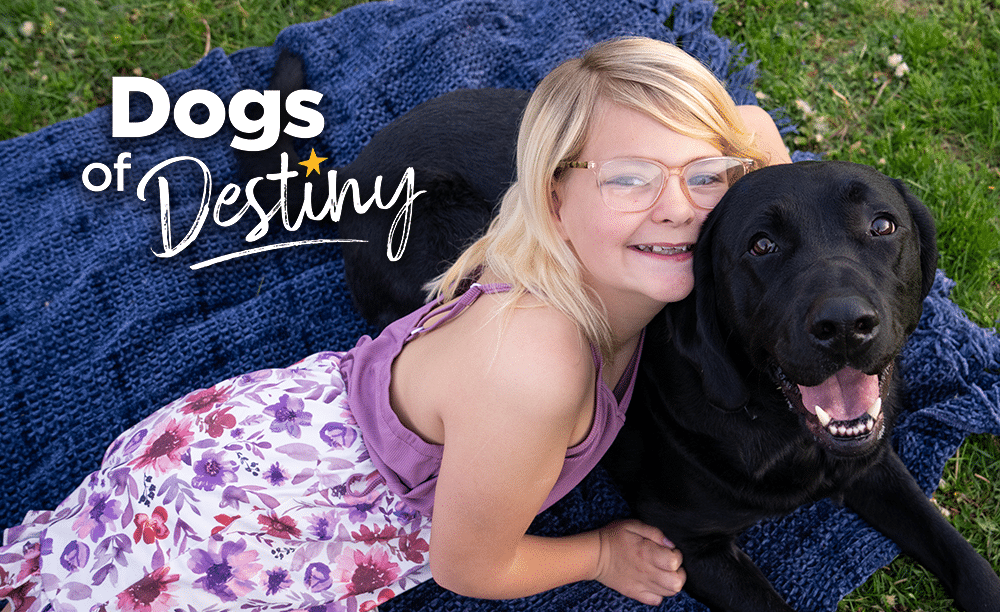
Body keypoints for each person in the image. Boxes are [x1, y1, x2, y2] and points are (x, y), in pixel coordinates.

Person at [0, 36, 790, 612]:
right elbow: (469, 566)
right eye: (629, 177)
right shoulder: (540, 365)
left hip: (258, 431)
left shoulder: (610, 246)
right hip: (240, 528)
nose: (681, 206)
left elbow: (751, 126)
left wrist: (748, 188)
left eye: (708, 175)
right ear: (553, 198)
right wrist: (601, 553)